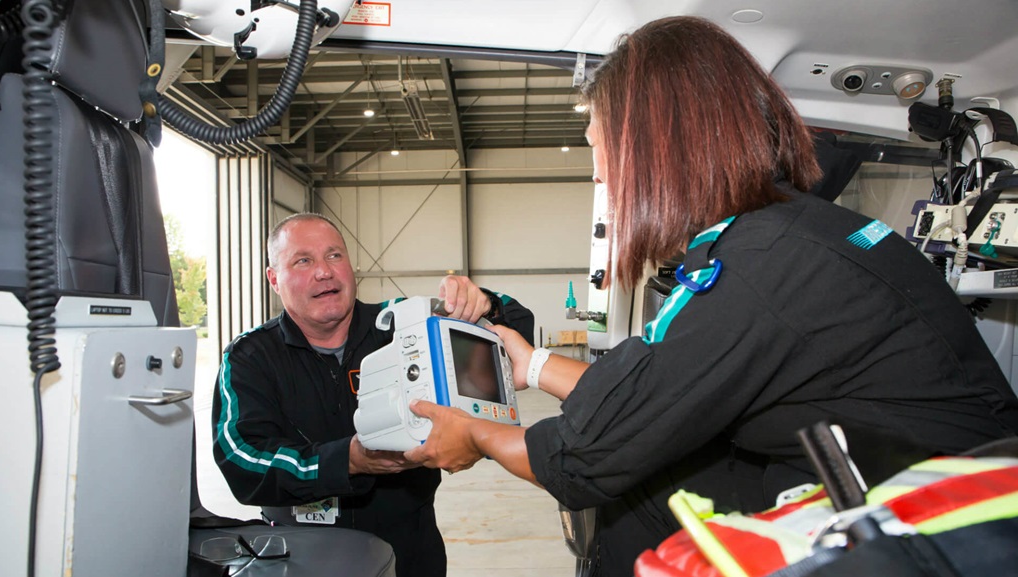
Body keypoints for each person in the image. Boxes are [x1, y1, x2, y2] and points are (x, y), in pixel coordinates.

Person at [403, 16, 1018, 576]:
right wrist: (532, 365)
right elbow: (654, 386)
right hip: (925, 480)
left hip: (950, 526)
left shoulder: (757, 265)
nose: (598, 171)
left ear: (656, 145)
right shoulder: (788, 232)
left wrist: (476, 436)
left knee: (624, 494)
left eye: (599, 146)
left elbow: (584, 459)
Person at [212, 213, 534, 577]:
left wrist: (485, 304)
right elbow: (241, 459)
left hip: (409, 552)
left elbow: (519, 330)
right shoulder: (250, 356)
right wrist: (345, 461)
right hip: (296, 555)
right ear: (274, 279)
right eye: (303, 260)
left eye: (334, 256)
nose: (324, 271)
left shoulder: (402, 324)